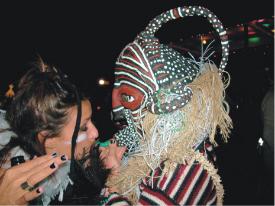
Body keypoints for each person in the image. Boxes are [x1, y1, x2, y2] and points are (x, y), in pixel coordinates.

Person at [104, 5, 232, 205]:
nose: (117, 111)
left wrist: (114, 175)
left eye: (128, 98)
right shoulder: (158, 153)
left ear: (167, 103)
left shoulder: (183, 169)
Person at [0, 61, 122, 205]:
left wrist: (111, 177)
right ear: (48, 140)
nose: (95, 133)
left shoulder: (84, 166)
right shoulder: (12, 189)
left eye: (92, 122)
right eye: (83, 128)